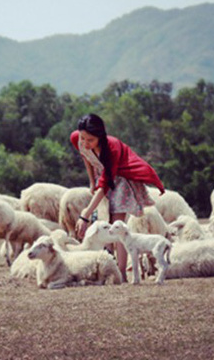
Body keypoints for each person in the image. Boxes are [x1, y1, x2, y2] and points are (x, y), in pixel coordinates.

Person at [70, 113, 165, 282]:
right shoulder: (78, 138)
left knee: (117, 225)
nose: (85, 143)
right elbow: (86, 156)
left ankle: (120, 274)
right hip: (103, 177)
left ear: (100, 136)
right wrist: (92, 181)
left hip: (121, 179)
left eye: (90, 140)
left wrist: (85, 215)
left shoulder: (111, 148)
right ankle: (108, 266)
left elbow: (106, 184)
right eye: (83, 138)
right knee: (106, 223)